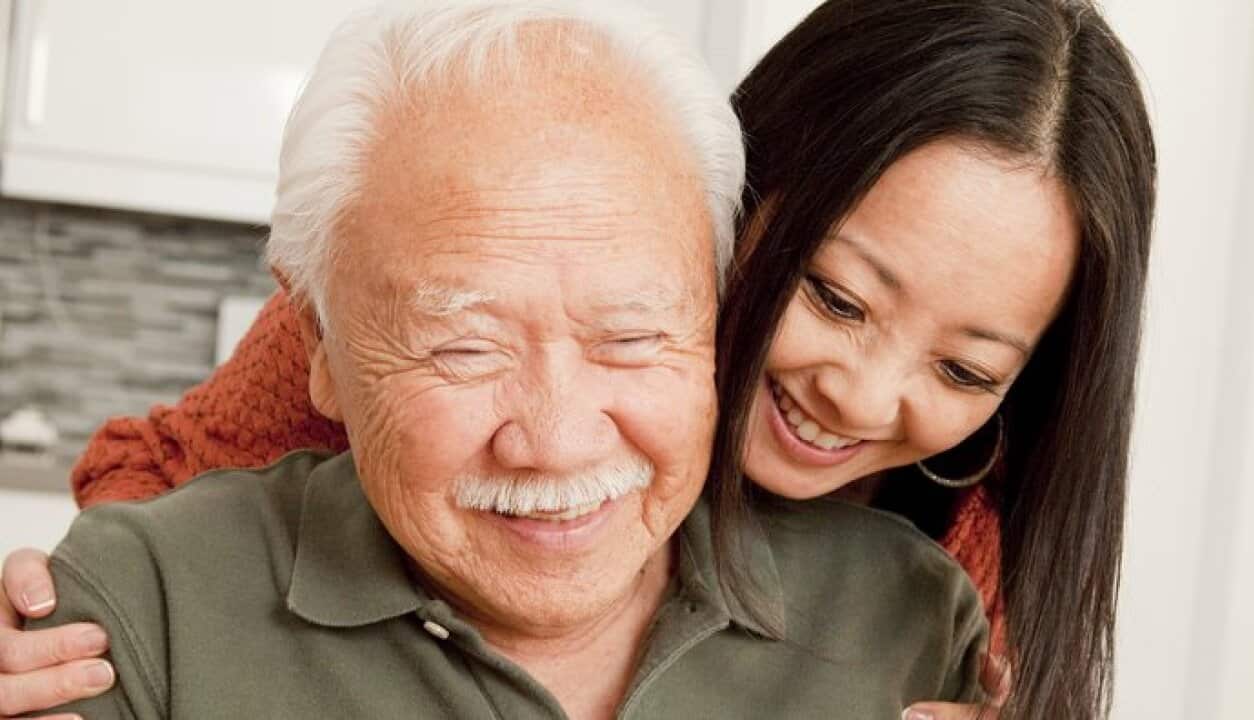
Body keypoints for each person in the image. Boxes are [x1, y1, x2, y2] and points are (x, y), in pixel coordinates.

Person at [0, 0, 1155, 718]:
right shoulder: (347, 333)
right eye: (835, 297)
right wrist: (77, 626)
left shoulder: (944, 581)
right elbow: (166, 529)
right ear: (738, 222)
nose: (857, 393)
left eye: (963, 371)